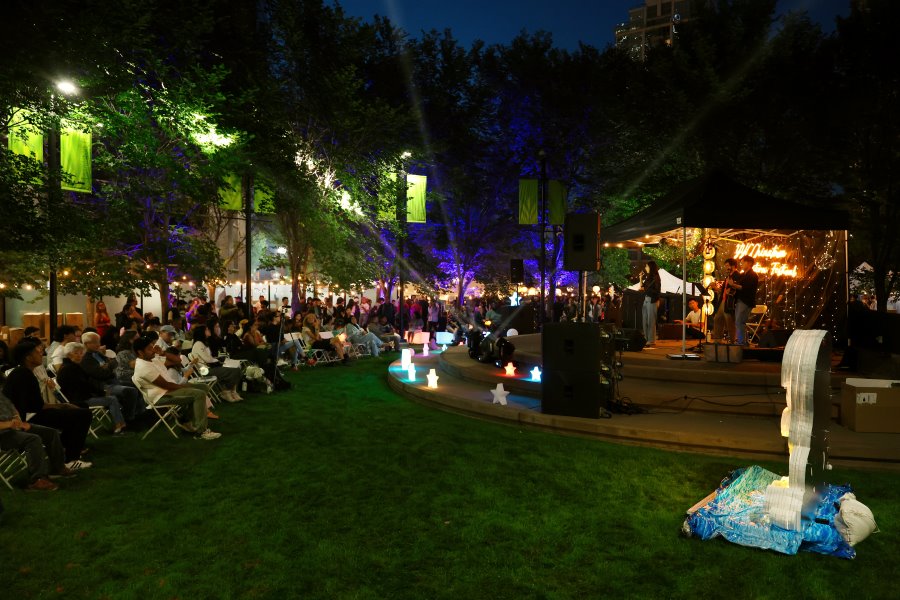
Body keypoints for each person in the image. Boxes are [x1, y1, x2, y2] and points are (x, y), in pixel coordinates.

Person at [2, 339, 92, 470]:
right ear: (28, 357)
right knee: (82, 415)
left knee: (79, 411)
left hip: (30, 414)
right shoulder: (22, 375)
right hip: (25, 418)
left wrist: (63, 406)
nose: (41, 355)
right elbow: (28, 406)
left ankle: (66, 451)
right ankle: (71, 457)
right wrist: (61, 406)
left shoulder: (25, 373)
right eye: (38, 353)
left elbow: (36, 404)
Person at [131, 337, 220, 440]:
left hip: (169, 388)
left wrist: (163, 353)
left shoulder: (152, 358)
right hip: (161, 395)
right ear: (140, 352)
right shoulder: (143, 367)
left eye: (152, 347)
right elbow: (165, 385)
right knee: (198, 394)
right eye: (149, 349)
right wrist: (183, 386)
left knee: (203, 387)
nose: (153, 350)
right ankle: (201, 432)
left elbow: (177, 361)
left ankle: (183, 419)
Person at [0, 390, 73, 491]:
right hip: (3, 435)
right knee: (33, 439)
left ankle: (58, 467)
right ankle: (37, 480)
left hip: (13, 427)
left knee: (51, 433)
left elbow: (13, 409)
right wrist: (9, 424)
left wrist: (18, 421)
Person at [56, 343, 129, 435]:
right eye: (76, 353)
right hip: (78, 400)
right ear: (69, 354)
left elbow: (86, 383)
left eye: (81, 353)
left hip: (79, 396)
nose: (79, 356)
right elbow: (83, 386)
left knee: (112, 395)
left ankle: (120, 423)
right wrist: (102, 393)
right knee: (112, 399)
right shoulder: (70, 369)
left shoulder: (71, 366)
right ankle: (120, 426)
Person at [189, 325, 243, 401]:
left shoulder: (203, 343)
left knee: (237, 367)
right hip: (205, 370)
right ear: (202, 332)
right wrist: (219, 361)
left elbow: (209, 358)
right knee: (234, 370)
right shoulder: (198, 344)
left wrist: (218, 360)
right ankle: (226, 391)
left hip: (210, 367)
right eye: (207, 329)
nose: (209, 330)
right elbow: (208, 359)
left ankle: (232, 391)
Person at [731, 255, 759, 346]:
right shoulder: (743, 275)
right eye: (741, 262)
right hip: (742, 300)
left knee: (739, 321)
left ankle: (741, 342)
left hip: (745, 301)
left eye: (743, 262)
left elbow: (745, 288)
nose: (741, 264)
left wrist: (733, 285)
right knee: (741, 322)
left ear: (750, 263)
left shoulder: (753, 275)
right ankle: (743, 341)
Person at [712, 258, 738, 342]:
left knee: (729, 320)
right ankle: (717, 339)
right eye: (725, 266)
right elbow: (723, 291)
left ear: (733, 266)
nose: (726, 268)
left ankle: (733, 340)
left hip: (730, 302)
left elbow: (738, 288)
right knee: (717, 318)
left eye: (727, 266)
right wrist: (716, 288)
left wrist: (732, 289)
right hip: (723, 301)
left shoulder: (737, 275)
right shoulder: (728, 276)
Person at [639, 261, 661, 347]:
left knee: (651, 321)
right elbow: (642, 287)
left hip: (652, 300)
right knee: (645, 320)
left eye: (647, 266)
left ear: (651, 267)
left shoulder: (656, 278)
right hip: (646, 299)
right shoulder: (648, 277)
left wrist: (656, 299)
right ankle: (646, 338)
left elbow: (657, 291)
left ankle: (651, 340)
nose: (645, 268)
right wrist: (640, 278)